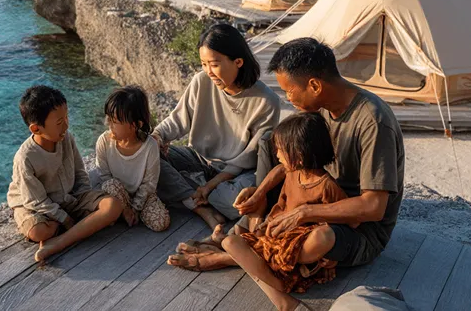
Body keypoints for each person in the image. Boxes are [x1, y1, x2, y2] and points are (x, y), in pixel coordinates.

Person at [169, 37, 405, 277]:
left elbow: (374, 208)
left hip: (355, 230)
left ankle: (231, 256)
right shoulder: (320, 108)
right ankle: (246, 235)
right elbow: (294, 162)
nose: (288, 98)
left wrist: (304, 213)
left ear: (314, 86)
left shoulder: (373, 122)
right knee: (271, 145)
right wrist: (260, 192)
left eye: (289, 91)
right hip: (312, 198)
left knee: (319, 240)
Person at [218, 112, 354, 311]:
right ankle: (281, 296)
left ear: (298, 155)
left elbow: (349, 221)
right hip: (272, 244)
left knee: (235, 245)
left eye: (280, 150)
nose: (277, 155)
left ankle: (280, 295)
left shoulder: (327, 186)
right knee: (229, 242)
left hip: (293, 257)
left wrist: (331, 258)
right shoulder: (292, 173)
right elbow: (278, 206)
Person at [152, 22, 281, 232]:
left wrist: (209, 186)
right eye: (203, 64)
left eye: (214, 64)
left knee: (235, 203)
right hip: (200, 160)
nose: (208, 72)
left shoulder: (266, 101)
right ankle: (201, 207)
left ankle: (187, 192)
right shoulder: (201, 82)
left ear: (238, 61)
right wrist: (157, 137)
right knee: (146, 156)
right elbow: (177, 121)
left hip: (236, 174)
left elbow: (248, 158)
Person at [7, 85, 123, 262]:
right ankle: (78, 227)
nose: (66, 124)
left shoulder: (66, 138)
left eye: (66, 117)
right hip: (38, 207)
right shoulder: (25, 158)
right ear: (36, 129)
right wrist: (66, 219)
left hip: (69, 198)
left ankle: (58, 242)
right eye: (59, 122)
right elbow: (35, 200)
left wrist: (86, 196)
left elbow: (80, 172)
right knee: (38, 231)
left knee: (113, 205)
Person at [95, 86, 170, 232]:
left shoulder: (150, 146)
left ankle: (128, 215)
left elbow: (149, 183)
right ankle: (123, 213)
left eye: (114, 121)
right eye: (108, 119)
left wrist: (135, 207)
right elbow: (104, 177)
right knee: (109, 185)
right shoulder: (104, 141)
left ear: (135, 125)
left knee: (161, 222)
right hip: (116, 194)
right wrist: (125, 208)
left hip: (143, 196)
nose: (108, 125)